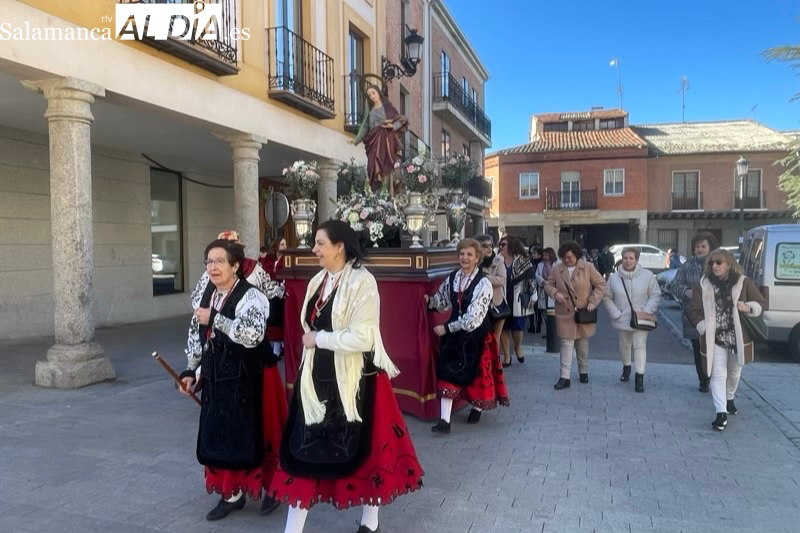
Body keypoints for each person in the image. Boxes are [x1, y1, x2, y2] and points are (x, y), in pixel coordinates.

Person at [268, 220, 423, 533]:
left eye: (320, 243)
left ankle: (370, 522)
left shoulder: (363, 282)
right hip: (316, 380)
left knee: (366, 453)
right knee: (304, 449)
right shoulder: (319, 281)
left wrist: (320, 339)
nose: (315, 249)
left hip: (357, 383)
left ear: (340, 247)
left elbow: (364, 337)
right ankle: (292, 529)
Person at [180, 238, 286, 521]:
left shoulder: (253, 297)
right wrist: (191, 371)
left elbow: (251, 335)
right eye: (209, 262)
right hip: (219, 376)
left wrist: (215, 319)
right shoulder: (208, 295)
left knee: (260, 432)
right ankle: (231, 493)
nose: (213, 268)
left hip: (254, 376)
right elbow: (197, 333)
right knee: (221, 430)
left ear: (236, 266)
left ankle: (273, 487)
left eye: (219, 262)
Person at [426, 238, 510, 433]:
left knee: (476, 375)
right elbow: (443, 300)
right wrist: (430, 301)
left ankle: (477, 407)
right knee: (447, 372)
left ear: (477, 258)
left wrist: (447, 328)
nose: (465, 258)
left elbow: (474, 318)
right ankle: (444, 422)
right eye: (462, 254)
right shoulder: (453, 277)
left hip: (476, 334)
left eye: (469, 254)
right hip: (455, 334)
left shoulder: (484, 283)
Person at [688, 249, 768, 431]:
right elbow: (694, 309)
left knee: (734, 373)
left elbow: (762, 303)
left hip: (737, 337)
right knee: (718, 374)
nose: (715, 266)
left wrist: (747, 307)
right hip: (714, 336)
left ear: (729, 264)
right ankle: (721, 413)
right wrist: (702, 325)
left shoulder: (743, 282)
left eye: (719, 262)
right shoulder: (703, 284)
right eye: (712, 263)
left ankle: (729, 397)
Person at [545, 241, 606, 390]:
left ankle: (583, 370)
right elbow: (548, 285)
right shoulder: (556, 269)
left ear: (577, 256)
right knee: (566, 344)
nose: (567, 260)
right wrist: (555, 293)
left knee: (582, 344)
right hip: (564, 312)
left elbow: (601, 284)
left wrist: (593, 301)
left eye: (570, 257)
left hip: (583, 312)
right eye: (565, 257)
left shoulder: (588, 267)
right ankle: (564, 377)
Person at [603, 247, 661, 392]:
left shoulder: (647, 276)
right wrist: (615, 312)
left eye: (631, 258)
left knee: (640, 345)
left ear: (637, 259)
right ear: (621, 259)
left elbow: (655, 294)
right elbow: (607, 297)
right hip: (622, 317)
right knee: (625, 344)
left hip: (641, 318)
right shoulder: (614, 278)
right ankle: (626, 367)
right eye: (625, 258)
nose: (628, 261)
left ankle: (639, 377)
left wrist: (647, 310)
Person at [669, 232, 719, 393]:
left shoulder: (718, 263)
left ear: (710, 247)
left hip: (716, 315)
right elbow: (675, 284)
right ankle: (703, 380)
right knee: (698, 349)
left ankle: (716, 378)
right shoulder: (688, 265)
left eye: (703, 246)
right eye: (697, 247)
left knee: (716, 348)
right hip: (693, 315)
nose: (700, 249)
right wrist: (686, 291)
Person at [350, 84, 408, 193]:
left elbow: (401, 120)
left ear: (378, 93)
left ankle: (389, 192)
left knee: (388, 167)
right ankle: (377, 193)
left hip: (387, 142)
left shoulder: (389, 109)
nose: (372, 96)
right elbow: (366, 127)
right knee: (373, 167)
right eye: (369, 95)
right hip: (374, 143)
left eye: (373, 93)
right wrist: (356, 139)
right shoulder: (370, 112)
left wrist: (393, 126)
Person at [499, 235, 536, 366]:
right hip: (501, 297)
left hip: (517, 298)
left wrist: (534, 295)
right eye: (500, 245)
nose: (500, 247)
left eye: (503, 244)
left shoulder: (522, 260)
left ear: (511, 245)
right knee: (503, 327)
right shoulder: (497, 261)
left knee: (518, 327)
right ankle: (507, 356)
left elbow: (531, 278)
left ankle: (517, 347)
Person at [476, 234, 508, 362]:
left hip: (497, 303)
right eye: (485, 246)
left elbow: (502, 280)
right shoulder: (474, 262)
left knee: (495, 336)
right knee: (482, 336)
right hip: (480, 304)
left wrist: (484, 277)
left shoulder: (498, 261)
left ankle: (495, 363)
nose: (489, 248)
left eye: (491, 245)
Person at [262, 237, 288, 358]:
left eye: (285, 244)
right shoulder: (268, 260)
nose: (285, 247)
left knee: (277, 320)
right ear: (276, 245)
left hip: (280, 293)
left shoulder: (287, 259)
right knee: (269, 319)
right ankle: (273, 346)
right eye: (282, 244)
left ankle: (277, 349)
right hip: (268, 292)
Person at [535, 248, 556, 338]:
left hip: (552, 289)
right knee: (544, 312)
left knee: (552, 311)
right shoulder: (540, 265)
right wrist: (543, 282)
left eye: (546, 255)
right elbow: (537, 275)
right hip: (543, 289)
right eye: (543, 255)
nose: (544, 257)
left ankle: (553, 331)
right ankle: (548, 331)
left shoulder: (556, 264)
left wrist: (550, 282)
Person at [528, 247, 544, 333]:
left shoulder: (540, 264)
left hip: (538, 286)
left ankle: (536, 324)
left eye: (534, 253)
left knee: (537, 307)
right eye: (532, 253)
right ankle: (533, 324)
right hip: (534, 285)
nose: (532, 255)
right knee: (534, 306)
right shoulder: (531, 262)